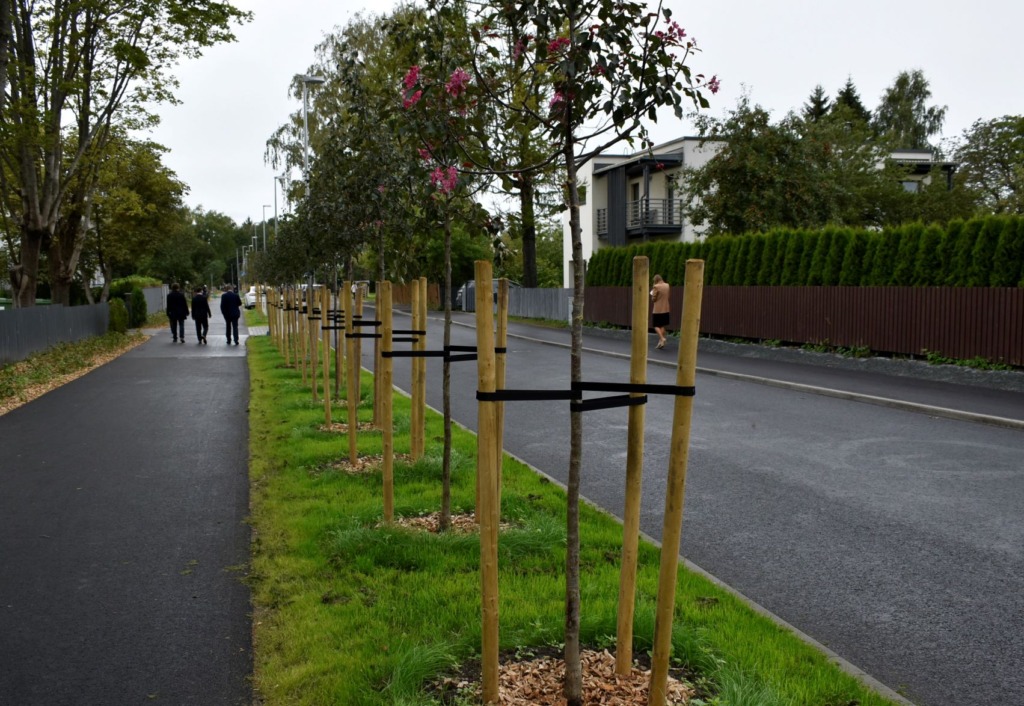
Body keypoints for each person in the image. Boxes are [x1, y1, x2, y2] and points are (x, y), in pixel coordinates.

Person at [650, 274, 670, 349]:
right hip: (666, 308)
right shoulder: (667, 285)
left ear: (655, 280)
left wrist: (652, 293)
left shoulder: (656, 287)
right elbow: (668, 296)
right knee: (662, 325)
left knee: (656, 325)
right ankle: (661, 343)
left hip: (658, 310)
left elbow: (653, 298)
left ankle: (662, 338)